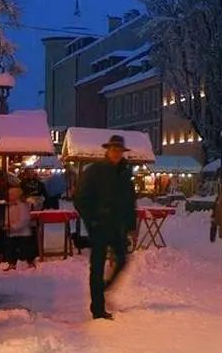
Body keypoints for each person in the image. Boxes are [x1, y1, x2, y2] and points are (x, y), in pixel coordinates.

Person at [74, 134, 137, 320]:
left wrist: (131, 226)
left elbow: (130, 201)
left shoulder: (125, 172)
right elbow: (80, 198)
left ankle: (103, 289)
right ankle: (98, 309)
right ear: (107, 150)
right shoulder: (95, 170)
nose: (116, 153)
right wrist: (92, 221)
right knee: (98, 267)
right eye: (114, 149)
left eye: (119, 150)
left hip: (118, 226)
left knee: (123, 260)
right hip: (100, 226)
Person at [3, 184, 38, 270]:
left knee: (26, 249)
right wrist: (7, 225)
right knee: (10, 248)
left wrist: (12, 227)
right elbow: (7, 218)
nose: (9, 197)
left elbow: (24, 220)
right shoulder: (9, 206)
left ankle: (30, 263)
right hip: (11, 233)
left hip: (23, 233)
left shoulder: (23, 206)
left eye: (11, 195)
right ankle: (12, 263)